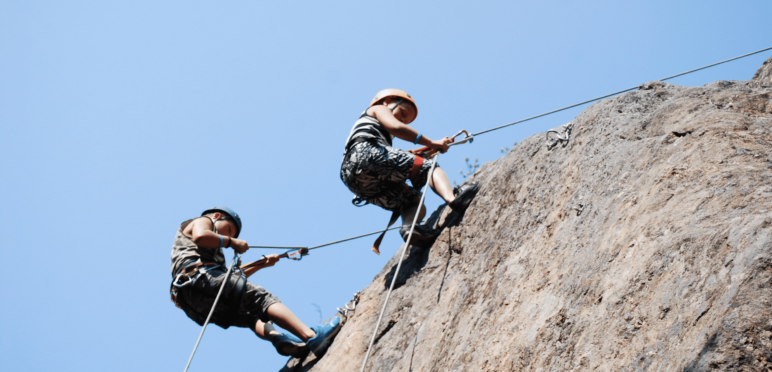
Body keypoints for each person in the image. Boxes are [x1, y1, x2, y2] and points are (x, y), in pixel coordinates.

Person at [169, 206, 341, 357]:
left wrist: (262, 263)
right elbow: (200, 236)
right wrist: (231, 241)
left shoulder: (213, 253)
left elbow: (231, 281)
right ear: (216, 216)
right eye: (228, 229)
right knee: (263, 299)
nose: (226, 235)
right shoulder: (203, 221)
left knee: (252, 317)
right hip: (199, 277)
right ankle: (312, 337)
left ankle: (279, 339)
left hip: (194, 301)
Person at [340, 89, 480, 251]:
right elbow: (395, 127)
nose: (402, 119)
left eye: (405, 119)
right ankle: (454, 199)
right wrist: (433, 142)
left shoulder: (372, 131)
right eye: (403, 112)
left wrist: (430, 150)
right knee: (428, 168)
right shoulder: (378, 109)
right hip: (365, 153)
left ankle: (410, 228)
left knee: (412, 199)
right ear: (387, 101)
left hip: (355, 179)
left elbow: (395, 162)